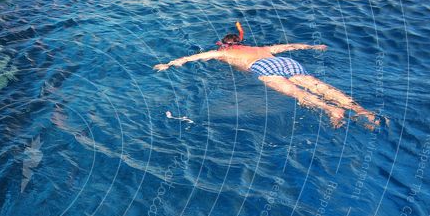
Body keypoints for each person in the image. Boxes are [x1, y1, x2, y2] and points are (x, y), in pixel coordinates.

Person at [154, 22, 382, 128]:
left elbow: (191, 58)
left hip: (264, 68)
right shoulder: (262, 47)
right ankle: (362, 111)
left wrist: (168, 64)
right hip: (283, 61)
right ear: (240, 42)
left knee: (296, 93)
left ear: (223, 45)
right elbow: (289, 46)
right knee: (319, 85)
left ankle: (333, 110)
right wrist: (313, 47)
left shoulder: (219, 53)